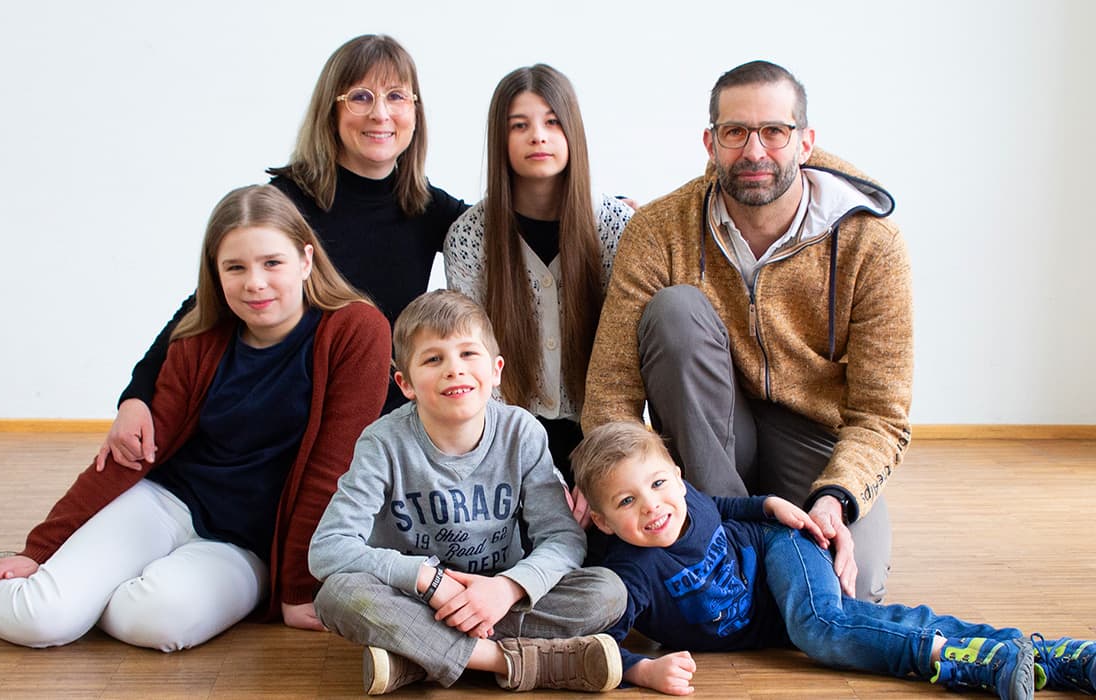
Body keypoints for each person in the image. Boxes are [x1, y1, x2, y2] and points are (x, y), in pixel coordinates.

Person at [0, 185, 391, 650]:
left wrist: (297, 587)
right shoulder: (201, 338)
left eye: (272, 262)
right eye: (235, 267)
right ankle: (37, 585)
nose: (254, 282)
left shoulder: (356, 330)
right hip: (165, 502)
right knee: (43, 620)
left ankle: (83, 593)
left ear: (306, 261)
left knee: (156, 624)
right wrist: (39, 551)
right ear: (215, 274)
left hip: (245, 545)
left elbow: (331, 469)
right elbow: (132, 455)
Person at [582, 60, 912, 603]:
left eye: (774, 132)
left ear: (805, 142)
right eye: (735, 132)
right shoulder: (658, 231)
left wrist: (836, 499)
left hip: (813, 435)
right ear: (710, 142)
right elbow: (611, 389)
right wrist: (620, 493)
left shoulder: (871, 243)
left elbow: (882, 415)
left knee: (856, 589)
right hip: (706, 424)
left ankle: (753, 568)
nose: (754, 152)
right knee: (676, 311)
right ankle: (728, 548)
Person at [99, 34, 467, 472]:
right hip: (288, 420)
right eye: (360, 97)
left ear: (415, 111)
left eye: (396, 96)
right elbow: (208, 303)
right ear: (331, 111)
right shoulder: (288, 201)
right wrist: (136, 394)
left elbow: (506, 239)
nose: (380, 113)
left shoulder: (429, 208)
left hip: (378, 417)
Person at [571, 421, 1096, 698]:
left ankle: (962, 664)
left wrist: (769, 504)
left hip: (781, 549)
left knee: (822, 627)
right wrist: (645, 673)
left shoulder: (688, 501)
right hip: (772, 617)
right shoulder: (632, 574)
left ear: (679, 476)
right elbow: (605, 645)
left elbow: (724, 507)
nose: (652, 506)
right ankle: (1049, 656)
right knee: (860, 622)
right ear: (599, 518)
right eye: (626, 501)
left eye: (660, 483)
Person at [308, 289, 627, 695]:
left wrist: (507, 588)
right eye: (433, 358)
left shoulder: (522, 432)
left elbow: (562, 538)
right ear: (405, 383)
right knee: (337, 595)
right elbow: (328, 549)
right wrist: (427, 579)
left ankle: (415, 658)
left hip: (498, 598)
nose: (454, 369)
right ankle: (516, 663)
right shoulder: (383, 443)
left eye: (467, 354)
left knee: (607, 592)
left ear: (495, 370)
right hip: (416, 598)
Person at [444, 63, 633, 486]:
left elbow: (627, 353)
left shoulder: (616, 227)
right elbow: (472, 354)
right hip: (506, 439)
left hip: (602, 434)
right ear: (500, 138)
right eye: (519, 125)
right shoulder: (470, 238)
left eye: (552, 122)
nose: (538, 136)